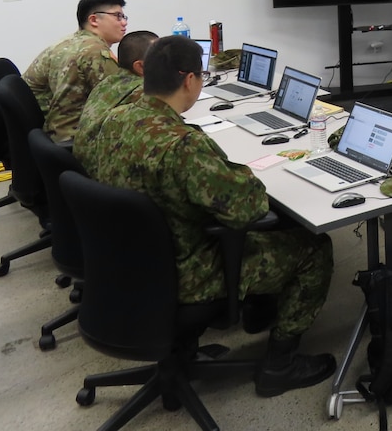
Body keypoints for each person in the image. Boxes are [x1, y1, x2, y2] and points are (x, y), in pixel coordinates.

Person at [77, 36, 336, 397]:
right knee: (313, 247)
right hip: (187, 275)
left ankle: (199, 341)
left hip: (124, 264)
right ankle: (281, 364)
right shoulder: (182, 145)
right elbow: (249, 209)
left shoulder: (116, 119)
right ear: (190, 81)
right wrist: (240, 171)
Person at [24, 0, 127, 141]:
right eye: (118, 16)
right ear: (94, 20)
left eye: (124, 17)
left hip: (46, 135)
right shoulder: (94, 51)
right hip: (72, 136)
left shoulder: (69, 42)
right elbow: (122, 96)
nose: (124, 22)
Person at [73, 30, 158, 147]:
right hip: (102, 160)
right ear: (140, 66)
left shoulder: (108, 81)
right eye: (161, 58)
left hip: (86, 156)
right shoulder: (142, 91)